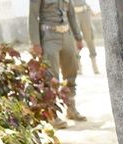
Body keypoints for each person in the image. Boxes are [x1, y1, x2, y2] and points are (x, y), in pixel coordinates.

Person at [28, 0, 87, 128]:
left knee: (71, 74)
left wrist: (78, 37)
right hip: (49, 37)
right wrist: (35, 43)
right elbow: (33, 16)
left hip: (66, 36)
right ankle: (52, 115)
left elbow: (71, 14)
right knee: (51, 77)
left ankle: (71, 109)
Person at [72, 0, 99, 74]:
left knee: (89, 38)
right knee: (75, 39)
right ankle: (78, 66)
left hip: (84, 13)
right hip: (73, 14)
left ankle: (94, 65)